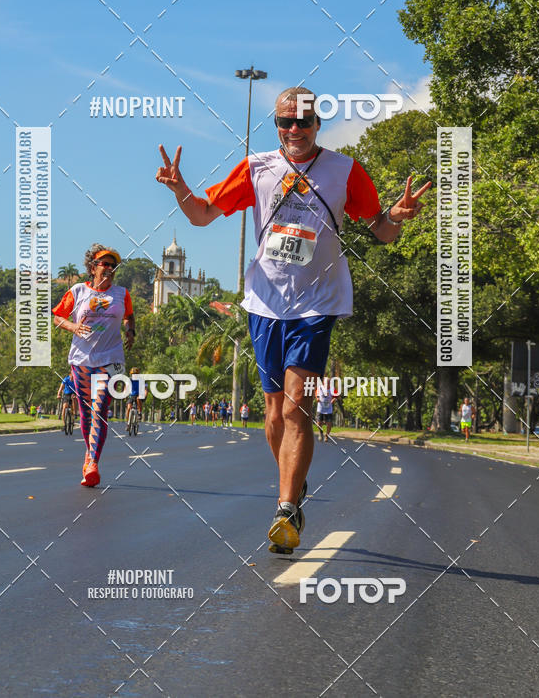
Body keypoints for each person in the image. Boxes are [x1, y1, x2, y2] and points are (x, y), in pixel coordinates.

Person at [156, 87, 430, 551]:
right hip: (265, 303)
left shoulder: (345, 171)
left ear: (317, 123)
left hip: (316, 302)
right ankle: (293, 482)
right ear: (277, 126)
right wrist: (180, 187)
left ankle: (286, 509)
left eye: (303, 121)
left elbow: (380, 230)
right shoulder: (256, 168)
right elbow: (202, 216)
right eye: (285, 122)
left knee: (295, 404)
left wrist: (399, 216)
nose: (295, 130)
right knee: (272, 414)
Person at [52, 244, 135, 487]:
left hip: (111, 359)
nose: (109, 268)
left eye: (113, 265)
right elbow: (58, 316)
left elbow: (129, 315)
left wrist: (131, 330)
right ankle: (89, 455)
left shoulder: (122, 293)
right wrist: (74, 327)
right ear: (92, 268)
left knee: (100, 408)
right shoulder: (78, 291)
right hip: (81, 360)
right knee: (86, 412)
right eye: (104, 264)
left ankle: (93, 464)